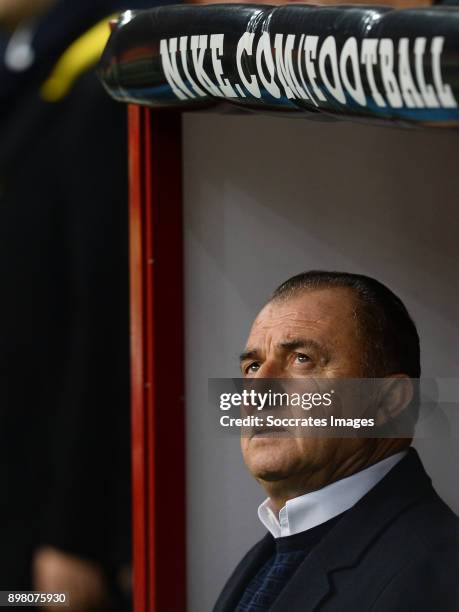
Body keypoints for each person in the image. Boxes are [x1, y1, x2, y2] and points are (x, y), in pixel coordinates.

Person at [0, 0, 173, 609]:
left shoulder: (109, 68)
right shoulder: (29, 54)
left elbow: (107, 324)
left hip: (54, 504)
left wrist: (72, 534)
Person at [214, 271, 459, 612]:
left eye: (302, 359)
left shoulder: (436, 573)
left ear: (389, 401)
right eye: (253, 366)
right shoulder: (269, 553)